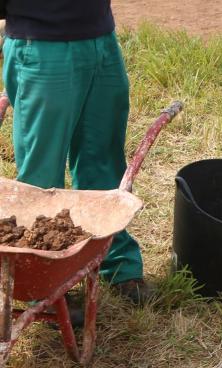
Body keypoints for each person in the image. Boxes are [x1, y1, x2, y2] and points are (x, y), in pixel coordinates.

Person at [2, 0, 150, 303]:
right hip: (43, 43)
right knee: (41, 177)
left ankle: (114, 260)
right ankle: (43, 286)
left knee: (104, 158)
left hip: (99, 35)